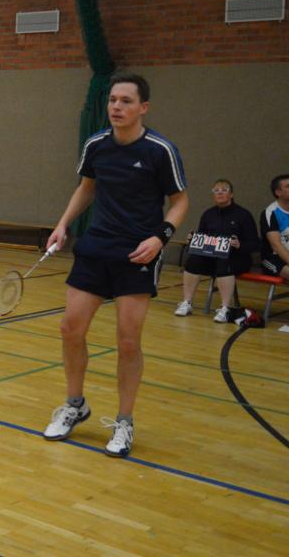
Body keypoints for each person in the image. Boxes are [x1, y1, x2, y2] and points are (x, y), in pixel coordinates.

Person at [42, 73, 188, 458]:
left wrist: (160, 238)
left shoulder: (160, 150)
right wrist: (63, 224)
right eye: (112, 100)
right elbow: (87, 188)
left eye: (126, 101)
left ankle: (124, 421)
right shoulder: (96, 145)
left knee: (127, 341)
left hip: (138, 253)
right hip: (96, 246)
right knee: (70, 329)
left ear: (143, 107)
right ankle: (75, 405)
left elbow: (180, 201)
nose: (116, 107)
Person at [174, 179, 258, 322]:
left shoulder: (243, 215)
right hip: (212, 257)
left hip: (237, 258)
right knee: (193, 260)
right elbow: (202, 238)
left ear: (231, 194)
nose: (220, 193)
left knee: (224, 262)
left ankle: (225, 308)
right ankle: (187, 302)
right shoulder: (208, 214)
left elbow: (255, 244)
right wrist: (193, 239)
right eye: (216, 190)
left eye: (224, 190)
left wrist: (239, 245)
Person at [259, 174, 289, 281]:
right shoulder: (270, 213)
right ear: (278, 192)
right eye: (288, 186)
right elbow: (276, 245)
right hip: (274, 258)